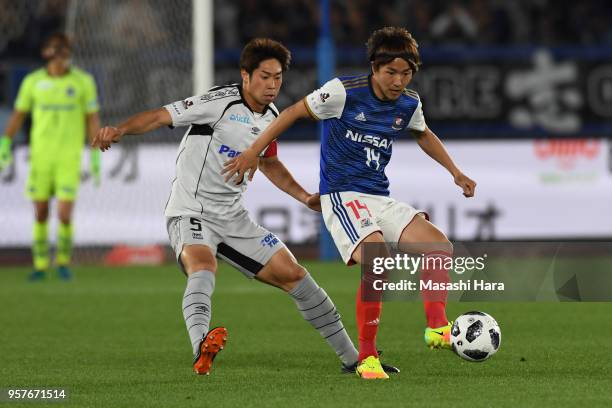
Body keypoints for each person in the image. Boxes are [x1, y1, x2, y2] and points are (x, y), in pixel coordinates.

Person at [92, 38, 396, 376]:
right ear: (245, 75)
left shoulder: (272, 117)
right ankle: (200, 349)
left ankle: (354, 359)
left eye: (278, 78)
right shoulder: (218, 103)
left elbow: (269, 164)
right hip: (191, 211)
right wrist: (119, 130)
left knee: (295, 275)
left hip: (234, 219)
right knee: (203, 265)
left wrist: (303, 196)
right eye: (264, 76)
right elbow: (160, 116)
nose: (272, 85)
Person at [223, 27, 477, 380]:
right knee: (377, 259)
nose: (398, 80)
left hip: (378, 196)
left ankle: (437, 327)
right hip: (342, 194)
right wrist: (253, 150)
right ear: (374, 68)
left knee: (439, 247)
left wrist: (455, 172)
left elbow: (423, 132)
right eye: (391, 72)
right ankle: (367, 357)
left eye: (406, 73)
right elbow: (293, 112)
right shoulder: (343, 92)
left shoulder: (409, 103)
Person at [0, 32, 101, 281]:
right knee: (41, 211)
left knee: (65, 213)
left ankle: (64, 261)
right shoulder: (33, 82)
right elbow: (18, 114)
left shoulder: (83, 82)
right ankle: (41, 264)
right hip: (41, 156)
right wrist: (5, 143)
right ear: (46, 53)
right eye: (54, 49)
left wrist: (96, 153)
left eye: (63, 50)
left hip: (69, 157)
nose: (59, 55)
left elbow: (91, 118)